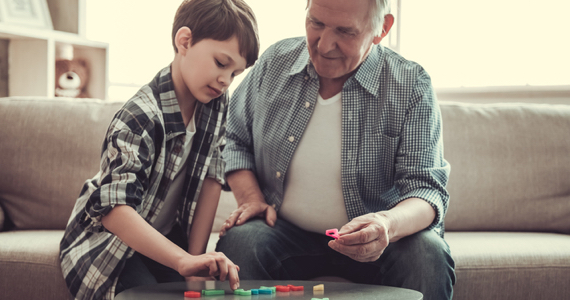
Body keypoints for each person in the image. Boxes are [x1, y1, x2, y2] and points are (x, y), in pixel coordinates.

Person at [216, 0, 455, 299]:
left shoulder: (411, 85)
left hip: (380, 241)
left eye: (345, 31)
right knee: (240, 243)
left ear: (382, 28)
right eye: (316, 23)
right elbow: (231, 137)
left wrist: (385, 224)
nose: (325, 44)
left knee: (428, 255)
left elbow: (426, 191)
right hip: (284, 232)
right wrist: (251, 197)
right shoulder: (274, 63)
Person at [59, 0, 259, 299]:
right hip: (111, 244)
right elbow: (115, 211)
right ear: (185, 41)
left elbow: (211, 178)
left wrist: (194, 261)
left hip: (165, 240)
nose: (225, 81)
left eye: (235, 73)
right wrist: (182, 260)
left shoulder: (216, 103)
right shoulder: (140, 116)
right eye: (221, 63)